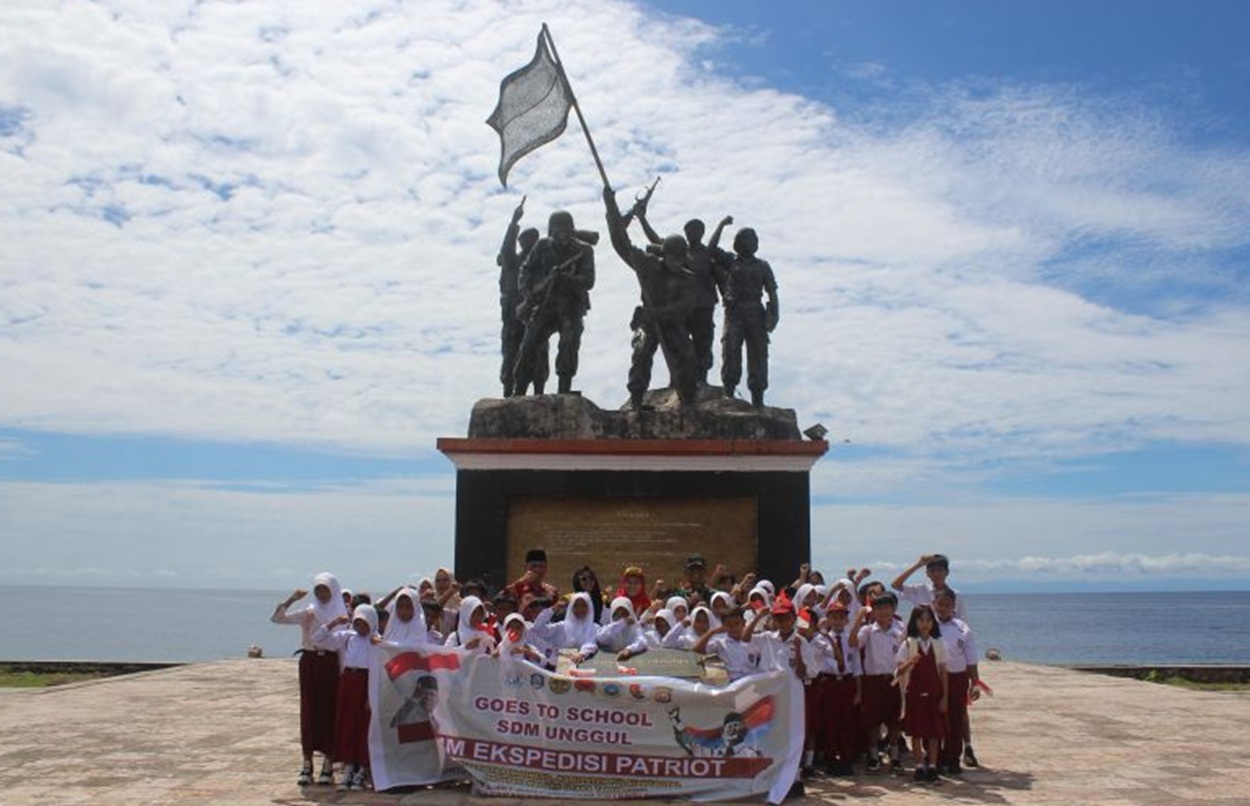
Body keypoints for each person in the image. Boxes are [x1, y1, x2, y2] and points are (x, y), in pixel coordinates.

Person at [604, 186, 699, 408]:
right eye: (672, 258)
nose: (676, 263)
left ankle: (687, 400)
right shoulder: (648, 264)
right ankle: (636, 400)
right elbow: (621, 242)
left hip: (671, 321)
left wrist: (664, 313)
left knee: (686, 355)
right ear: (665, 255)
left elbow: (685, 306)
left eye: (680, 259)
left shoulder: (688, 278)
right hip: (648, 317)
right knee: (642, 352)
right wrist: (611, 206)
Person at [270, 572, 348, 787]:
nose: (322, 594)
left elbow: (339, 646)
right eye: (318, 590)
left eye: (326, 590)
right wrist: (292, 599)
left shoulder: (342, 615)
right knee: (309, 710)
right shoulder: (309, 612)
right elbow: (277, 619)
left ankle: (328, 763)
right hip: (310, 662)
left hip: (330, 664)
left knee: (329, 710)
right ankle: (307, 763)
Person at [512, 210, 595, 396]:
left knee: (570, 342)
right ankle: (519, 391)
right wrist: (529, 293)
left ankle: (563, 390)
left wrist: (564, 278)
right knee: (528, 345)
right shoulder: (542, 246)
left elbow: (588, 280)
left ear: (571, 230)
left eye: (565, 230)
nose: (562, 235)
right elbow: (525, 270)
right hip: (545, 305)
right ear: (551, 231)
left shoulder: (584, 250)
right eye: (557, 231)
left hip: (571, 307)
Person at [708, 218, 779, 407]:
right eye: (746, 238)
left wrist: (775, 315)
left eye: (753, 239)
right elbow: (711, 249)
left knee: (758, 355)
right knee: (730, 350)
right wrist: (721, 225)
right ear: (738, 243)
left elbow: (772, 292)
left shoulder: (763, 266)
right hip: (734, 313)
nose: (750, 242)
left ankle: (758, 398)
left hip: (756, 313)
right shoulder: (731, 261)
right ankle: (729, 392)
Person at [313, 604, 380, 792]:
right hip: (349, 682)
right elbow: (318, 639)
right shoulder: (348, 637)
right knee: (348, 723)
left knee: (364, 726)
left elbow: (378, 669)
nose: (360, 627)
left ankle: (361, 768)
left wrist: (371, 694)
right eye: (357, 622)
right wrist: (333, 623)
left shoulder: (377, 641)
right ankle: (349, 765)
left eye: (364, 623)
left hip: (367, 682)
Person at [850, 591, 904, 773]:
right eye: (878, 608)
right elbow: (852, 644)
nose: (883, 612)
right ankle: (873, 755)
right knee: (873, 721)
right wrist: (858, 620)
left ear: (893, 609)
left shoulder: (901, 630)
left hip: (894, 680)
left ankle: (895, 755)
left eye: (887, 607)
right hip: (872, 681)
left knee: (895, 721)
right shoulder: (867, 631)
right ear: (872, 611)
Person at [497, 197, 546, 396]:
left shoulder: (543, 264)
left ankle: (539, 390)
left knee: (539, 351)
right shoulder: (512, 261)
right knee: (511, 351)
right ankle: (509, 390)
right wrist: (513, 222)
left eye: (534, 241)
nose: (530, 245)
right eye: (526, 241)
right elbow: (506, 249)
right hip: (512, 313)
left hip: (536, 312)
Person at [896, 605, 948, 783]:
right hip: (914, 694)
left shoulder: (939, 644)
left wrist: (945, 697)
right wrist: (911, 661)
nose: (924, 624)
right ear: (914, 622)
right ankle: (919, 766)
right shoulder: (909, 644)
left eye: (928, 620)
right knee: (917, 732)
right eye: (921, 620)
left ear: (933, 623)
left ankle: (932, 766)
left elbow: (943, 672)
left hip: (934, 694)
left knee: (934, 733)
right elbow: (899, 671)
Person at [811, 601, 862, 776]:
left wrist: (859, 691)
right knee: (830, 722)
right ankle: (831, 758)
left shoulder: (852, 638)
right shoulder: (821, 639)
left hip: (847, 682)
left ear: (847, 619)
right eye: (834, 617)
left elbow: (856, 666)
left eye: (841, 617)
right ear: (828, 619)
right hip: (829, 682)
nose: (838, 621)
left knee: (847, 721)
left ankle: (846, 758)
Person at [933, 589, 978, 775]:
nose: (942, 608)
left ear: (953, 607)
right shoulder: (927, 625)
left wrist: (975, 682)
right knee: (934, 719)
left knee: (955, 719)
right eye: (939, 604)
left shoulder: (963, 629)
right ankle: (935, 757)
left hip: (957, 678)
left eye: (947, 605)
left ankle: (952, 758)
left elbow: (971, 659)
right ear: (934, 604)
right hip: (933, 679)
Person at [692, 605, 775, 683]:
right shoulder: (720, 643)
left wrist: (759, 617)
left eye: (737, 624)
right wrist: (713, 632)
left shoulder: (755, 640)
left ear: (744, 623)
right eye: (729, 625)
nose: (734, 628)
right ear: (724, 626)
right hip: (732, 683)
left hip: (752, 681)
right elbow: (696, 650)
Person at [891, 553, 968, 622]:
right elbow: (895, 585)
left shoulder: (956, 595)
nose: (936, 574)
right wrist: (918, 565)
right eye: (932, 571)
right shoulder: (920, 590)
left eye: (940, 570)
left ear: (947, 572)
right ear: (927, 573)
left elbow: (962, 620)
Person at [597, 596, 650, 661]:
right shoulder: (609, 628)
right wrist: (622, 623)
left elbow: (642, 642)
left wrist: (628, 650)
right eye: (618, 614)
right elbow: (601, 638)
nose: (621, 617)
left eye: (624, 613)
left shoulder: (634, 627)